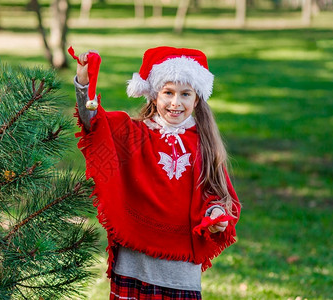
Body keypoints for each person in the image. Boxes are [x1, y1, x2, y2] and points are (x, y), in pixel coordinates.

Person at [73, 46, 241, 300]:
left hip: (180, 270)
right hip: (134, 262)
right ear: (153, 95)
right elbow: (94, 122)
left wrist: (215, 214)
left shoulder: (204, 143)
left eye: (185, 94)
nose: (176, 102)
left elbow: (216, 194)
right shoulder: (134, 134)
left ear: (197, 99)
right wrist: (85, 82)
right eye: (168, 93)